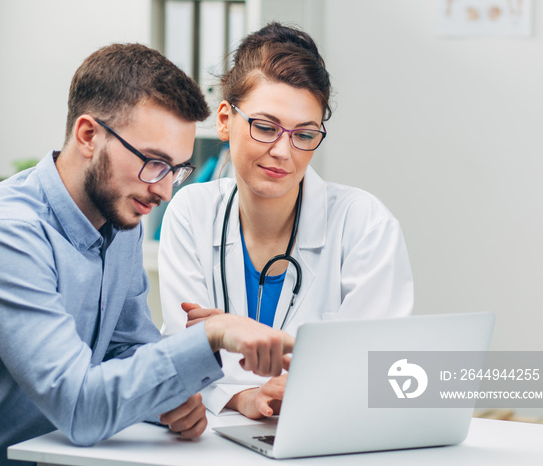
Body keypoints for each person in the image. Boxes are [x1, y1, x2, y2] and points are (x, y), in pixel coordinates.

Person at [0, 44, 294, 465]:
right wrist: (210, 336)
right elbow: (80, 408)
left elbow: (125, 350)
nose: (163, 190)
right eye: (154, 162)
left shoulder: (120, 216)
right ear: (88, 135)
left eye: (176, 170)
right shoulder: (3, 237)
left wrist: (167, 398)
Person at [159, 23, 414, 419]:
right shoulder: (191, 212)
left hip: (326, 433)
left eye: (304, 134)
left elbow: (379, 364)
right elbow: (182, 353)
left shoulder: (365, 225)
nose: (282, 151)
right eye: (265, 127)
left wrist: (309, 384)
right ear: (225, 120)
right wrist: (242, 397)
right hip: (212, 440)